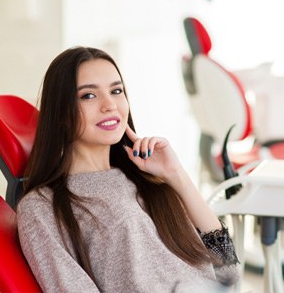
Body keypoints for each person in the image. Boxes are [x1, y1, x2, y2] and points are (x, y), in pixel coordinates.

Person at [17, 46, 240, 292]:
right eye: (89, 96)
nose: (110, 105)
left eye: (116, 91)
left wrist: (177, 175)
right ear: (60, 112)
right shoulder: (41, 206)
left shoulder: (150, 179)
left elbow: (228, 269)